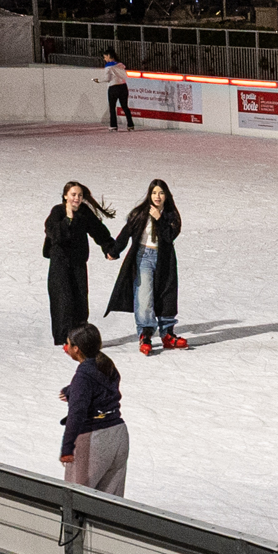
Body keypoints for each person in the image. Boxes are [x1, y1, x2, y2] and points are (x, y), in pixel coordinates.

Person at [104, 180, 188, 354]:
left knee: (167, 294)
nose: (158, 196)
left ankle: (167, 334)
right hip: (143, 256)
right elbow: (125, 233)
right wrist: (114, 251)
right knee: (144, 295)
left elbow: (170, 236)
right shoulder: (140, 213)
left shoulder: (171, 215)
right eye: (154, 192)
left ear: (166, 196)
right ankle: (145, 334)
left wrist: (159, 219)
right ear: (149, 194)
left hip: (165, 258)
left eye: (161, 193)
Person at [43, 182, 122, 345]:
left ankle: (79, 340)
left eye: (79, 195)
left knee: (80, 301)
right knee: (63, 302)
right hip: (60, 264)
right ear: (65, 196)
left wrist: (109, 248)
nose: (77, 198)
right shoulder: (57, 212)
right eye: (73, 195)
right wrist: (68, 219)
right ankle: (64, 341)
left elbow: (98, 231)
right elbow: (55, 234)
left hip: (78, 263)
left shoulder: (85, 212)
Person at [56, 324, 128, 495]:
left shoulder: (83, 377)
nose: (65, 348)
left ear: (76, 349)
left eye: (68, 344)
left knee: (76, 500)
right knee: (109, 506)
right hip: (118, 435)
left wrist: (67, 448)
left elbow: (77, 414)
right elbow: (101, 388)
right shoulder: (106, 365)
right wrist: (72, 390)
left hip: (94, 440)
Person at [101, 53, 133, 130]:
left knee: (112, 107)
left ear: (109, 56)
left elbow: (107, 79)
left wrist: (99, 80)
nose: (104, 59)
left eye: (105, 57)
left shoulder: (108, 67)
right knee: (125, 106)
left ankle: (113, 125)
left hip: (113, 87)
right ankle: (130, 124)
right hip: (123, 86)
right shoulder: (121, 65)